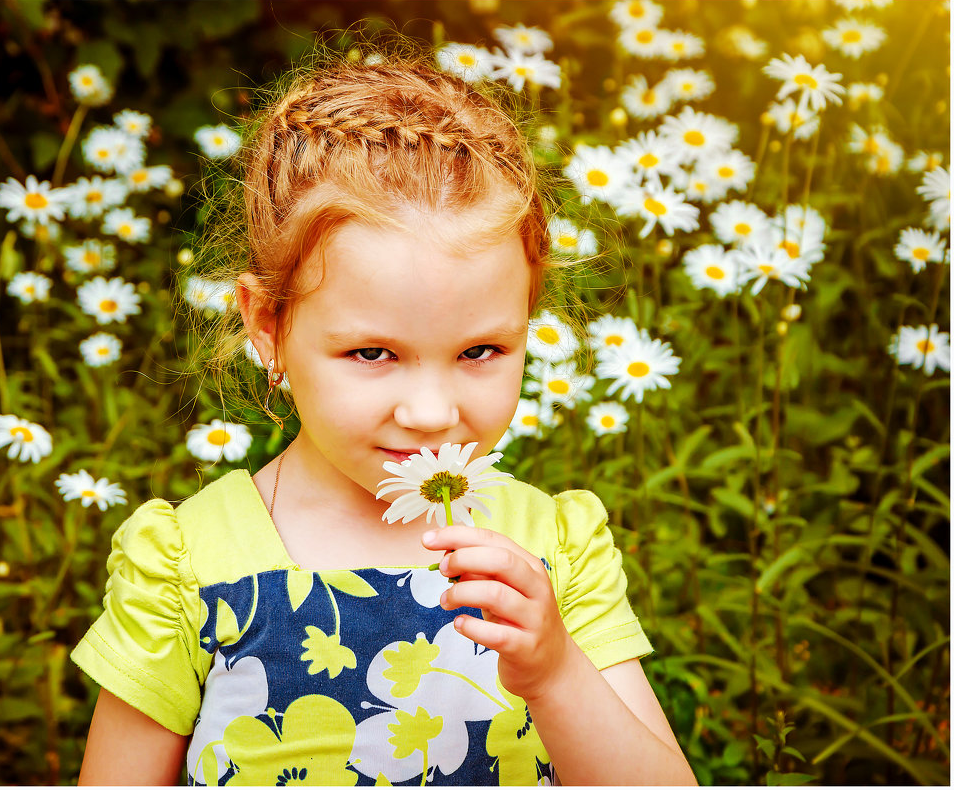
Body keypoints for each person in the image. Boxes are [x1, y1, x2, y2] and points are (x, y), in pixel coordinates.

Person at [71, 55, 696, 786]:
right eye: (373, 352)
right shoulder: (190, 565)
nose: (432, 413)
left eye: (480, 350)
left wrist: (556, 673)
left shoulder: (549, 552)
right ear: (267, 324)